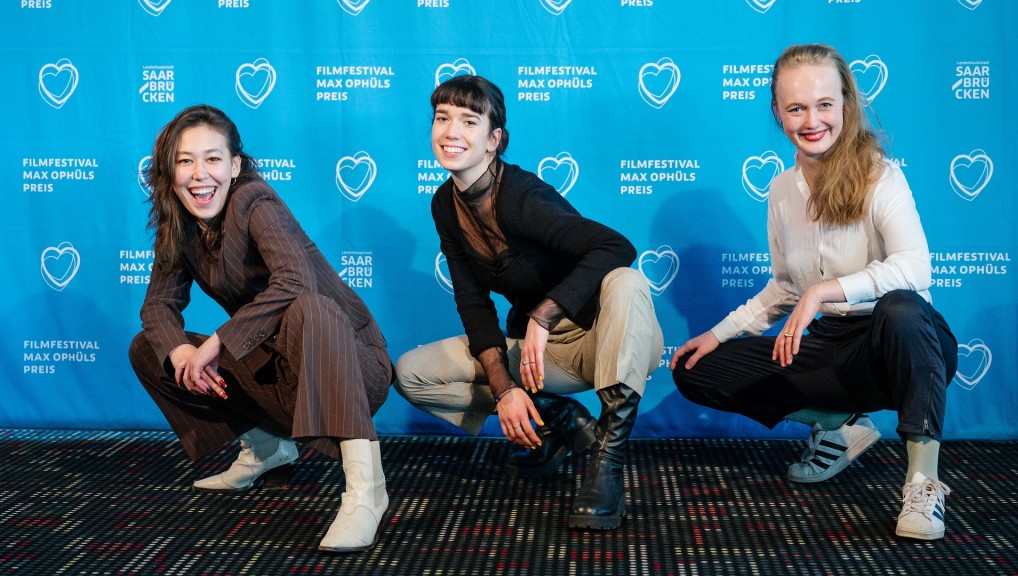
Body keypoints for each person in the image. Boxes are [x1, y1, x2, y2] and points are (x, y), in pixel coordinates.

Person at [671, 44, 958, 541]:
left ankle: (922, 482)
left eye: (824, 104)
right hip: (836, 347)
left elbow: (915, 266)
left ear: (846, 104)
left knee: (901, 309)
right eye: (796, 107)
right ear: (778, 112)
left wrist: (823, 291)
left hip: (905, 345)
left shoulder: (880, 174)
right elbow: (784, 285)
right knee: (696, 370)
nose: (811, 120)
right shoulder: (781, 189)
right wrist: (718, 335)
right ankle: (841, 425)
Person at [395, 75, 663, 530]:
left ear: (493, 140)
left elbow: (615, 245)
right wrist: (506, 389)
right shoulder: (445, 205)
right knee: (411, 373)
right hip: (545, 357)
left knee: (627, 281)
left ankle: (606, 464)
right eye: (442, 118)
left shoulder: (521, 195)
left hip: (609, 337)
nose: (451, 132)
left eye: (468, 121)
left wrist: (544, 314)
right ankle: (558, 424)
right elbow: (473, 303)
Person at [128, 104, 394, 553]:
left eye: (212, 159)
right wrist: (181, 355)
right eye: (185, 160)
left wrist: (215, 343)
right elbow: (157, 306)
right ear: (168, 170)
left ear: (235, 167)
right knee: (150, 348)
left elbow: (295, 280)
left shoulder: (255, 201)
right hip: (280, 369)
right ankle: (268, 449)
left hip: (348, 362)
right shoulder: (179, 224)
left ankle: (367, 491)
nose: (199, 174)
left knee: (310, 307)